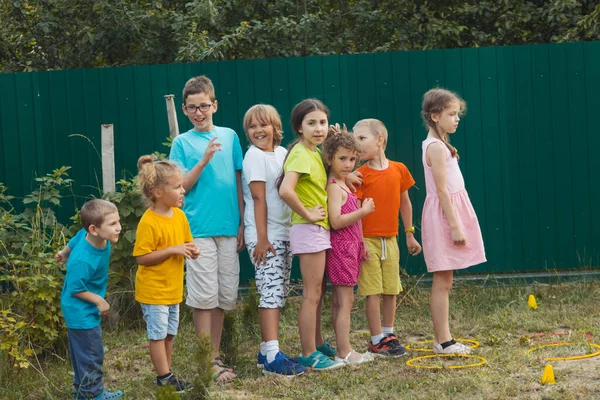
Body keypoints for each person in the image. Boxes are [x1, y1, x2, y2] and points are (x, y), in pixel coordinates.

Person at [169, 75, 244, 382]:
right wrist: (203, 160)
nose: (199, 112)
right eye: (192, 108)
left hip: (228, 228)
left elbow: (238, 180)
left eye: (204, 106)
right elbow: (179, 186)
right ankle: (208, 361)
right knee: (203, 297)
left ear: (214, 104)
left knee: (225, 296)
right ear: (185, 110)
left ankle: (214, 354)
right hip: (197, 229)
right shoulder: (181, 142)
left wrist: (241, 222)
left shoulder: (229, 136)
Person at [278, 99, 344, 371]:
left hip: (318, 230)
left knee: (319, 291)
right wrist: (307, 214)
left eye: (323, 123)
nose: (319, 128)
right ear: (298, 127)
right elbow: (285, 189)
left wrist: (337, 140)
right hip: (308, 229)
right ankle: (308, 354)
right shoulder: (299, 154)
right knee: (311, 294)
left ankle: (316, 344)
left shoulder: (315, 152)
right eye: (311, 123)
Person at [241, 104, 306, 377]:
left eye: (263, 124)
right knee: (270, 293)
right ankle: (271, 356)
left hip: (283, 232)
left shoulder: (281, 153)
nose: (258, 130)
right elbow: (258, 198)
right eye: (252, 126)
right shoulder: (254, 156)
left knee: (279, 292)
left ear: (275, 127)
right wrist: (262, 238)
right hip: (265, 237)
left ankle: (266, 350)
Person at [421, 88, 486, 354]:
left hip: (450, 211)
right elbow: (441, 190)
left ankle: (445, 338)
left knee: (446, 280)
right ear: (435, 116)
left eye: (458, 114)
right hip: (444, 217)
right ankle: (443, 341)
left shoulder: (442, 143)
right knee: (443, 280)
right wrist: (455, 224)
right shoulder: (435, 147)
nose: (457, 119)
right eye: (451, 114)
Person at [353, 118, 422, 357]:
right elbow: (357, 209)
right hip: (367, 240)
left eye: (362, 138)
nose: (357, 144)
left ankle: (388, 334)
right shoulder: (359, 175)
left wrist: (409, 234)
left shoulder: (399, 169)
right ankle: (375, 339)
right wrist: (359, 241)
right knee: (372, 290)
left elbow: (405, 202)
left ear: (379, 140)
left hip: (391, 240)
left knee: (391, 289)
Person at [133, 155, 199, 392]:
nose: (183, 191)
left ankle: (167, 375)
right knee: (158, 336)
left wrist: (192, 249)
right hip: (154, 291)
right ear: (158, 192)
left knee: (169, 335)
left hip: (172, 290)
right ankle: (164, 377)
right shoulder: (149, 222)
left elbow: (186, 242)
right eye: (177, 187)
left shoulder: (179, 216)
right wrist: (173, 249)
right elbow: (142, 257)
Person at [59, 199, 123, 400]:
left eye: (118, 221)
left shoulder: (92, 236)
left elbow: (77, 236)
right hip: (80, 310)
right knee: (91, 352)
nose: (119, 228)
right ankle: (93, 394)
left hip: (81, 308)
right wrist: (98, 300)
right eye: (112, 224)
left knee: (82, 352)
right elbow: (75, 288)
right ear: (94, 229)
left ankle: (81, 390)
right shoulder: (83, 260)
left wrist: (64, 252)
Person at [323, 127, 375, 365]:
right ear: (330, 158)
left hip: (351, 248)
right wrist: (363, 211)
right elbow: (336, 221)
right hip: (341, 250)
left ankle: (341, 348)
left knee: (340, 302)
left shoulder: (344, 184)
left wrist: (361, 239)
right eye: (342, 158)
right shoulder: (334, 187)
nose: (348, 164)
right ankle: (344, 351)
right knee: (345, 302)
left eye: (352, 159)